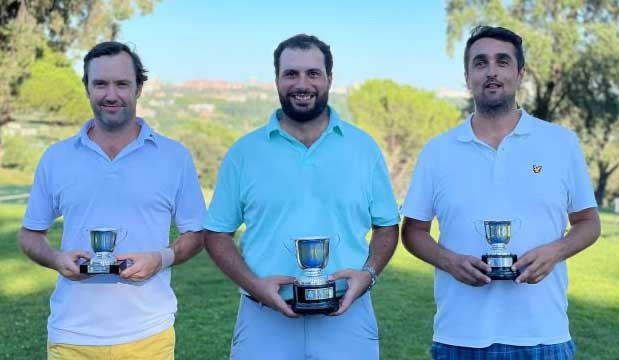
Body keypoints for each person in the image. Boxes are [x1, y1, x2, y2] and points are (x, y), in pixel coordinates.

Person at [401, 26, 600, 359]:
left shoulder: (561, 143)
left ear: (519, 73)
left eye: (502, 62)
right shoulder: (437, 151)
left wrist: (556, 251)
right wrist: (449, 262)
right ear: (467, 76)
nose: (491, 71)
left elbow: (589, 222)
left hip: (544, 337)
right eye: (480, 63)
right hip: (458, 339)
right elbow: (413, 232)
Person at [203, 34, 399, 360]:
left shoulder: (363, 149)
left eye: (312, 73)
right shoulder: (244, 153)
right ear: (277, 80)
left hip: (347, 318)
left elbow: (387, 226)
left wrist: (369, 274)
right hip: (263, 319)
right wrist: (255, 285)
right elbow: (216, 233)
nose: (301, 83)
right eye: (291, 74)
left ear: (329, 80)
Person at [18, 41, 206, 359]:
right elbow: (29, 234)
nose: (111, 94)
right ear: (87, 88)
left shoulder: (174, 157)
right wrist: (55, 259)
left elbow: (198, 233)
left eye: (122, 84)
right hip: (71, 336)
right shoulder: (56, 158)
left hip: (150, 335)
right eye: (100, 84)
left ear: (139, 88)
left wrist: (161, 258)